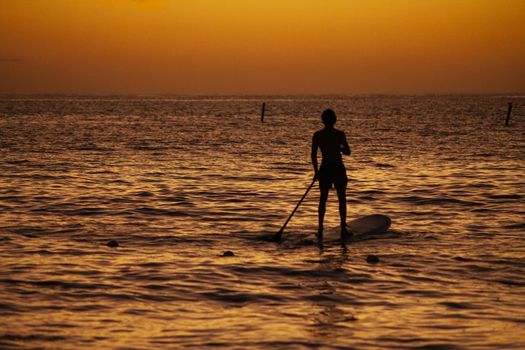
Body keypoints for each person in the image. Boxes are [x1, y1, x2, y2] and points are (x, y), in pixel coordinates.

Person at [311, 109, 351, 240]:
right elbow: (348, 152)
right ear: (334, 120)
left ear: (323, 120)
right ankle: (343, 227)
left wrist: (316, 171)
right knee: (341, 198)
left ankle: (320, 228)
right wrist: (339, 148)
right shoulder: (339, 134)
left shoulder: (317, 135)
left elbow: (313, 156)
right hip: (337, 168)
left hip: (325, 168)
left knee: (323, 199)